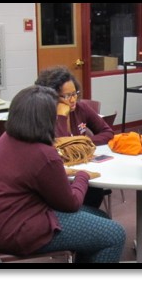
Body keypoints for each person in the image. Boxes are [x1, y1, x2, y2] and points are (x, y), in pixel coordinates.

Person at [0, 85, 126, 263]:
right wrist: (83, 176)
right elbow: (71, 204)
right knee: (115, 235)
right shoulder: (43, 154)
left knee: (101, 217)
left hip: (5, 222)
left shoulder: (5, 139)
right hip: (24, 230)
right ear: (46, 120)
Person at [35, 66, 113, 208]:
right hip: (60, 176)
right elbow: (61, 147)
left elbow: (107, 132)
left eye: (74, 93)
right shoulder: (44, 117)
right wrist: (61, 116)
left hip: (82, 167)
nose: (72, 100)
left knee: (95, 190)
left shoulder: (81, 108)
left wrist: (83, 143)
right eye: (66, 96)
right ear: (51, 97)